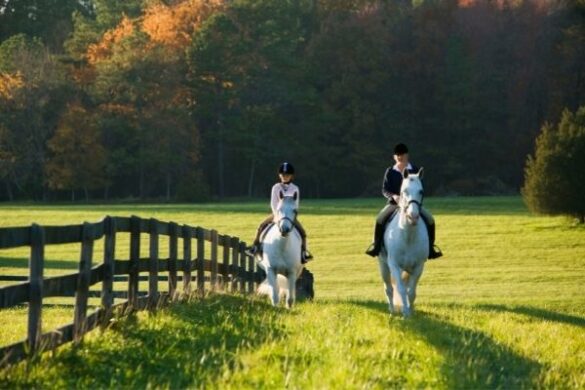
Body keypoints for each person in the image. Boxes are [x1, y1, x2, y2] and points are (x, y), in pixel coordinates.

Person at [365, 143, 443, 259]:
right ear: (394, 157)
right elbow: (385, 189)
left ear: (407, 155)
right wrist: (394, 197)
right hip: (394, 204)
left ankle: (431, 249)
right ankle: (376, 247)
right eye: (397, 155)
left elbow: (420, 188)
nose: (399, 157)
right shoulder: (390, 171)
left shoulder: (415, 170)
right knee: (380, 219)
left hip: (412, 204)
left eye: (402, 154)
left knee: (430, 220)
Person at [245, 162, 313, 263]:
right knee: (261, 226)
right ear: (279, 175)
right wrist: (277, 215)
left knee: (302, 232)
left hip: (290, 215)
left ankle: (303, 253)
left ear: (291, 176)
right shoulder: (276, 187)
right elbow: (273, 203)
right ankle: (255, 247)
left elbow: (296, 204)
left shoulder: (295, 189)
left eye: (287, 175)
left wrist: (291, 215)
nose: (285, 177)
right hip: (277, 214)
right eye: (283, 175)